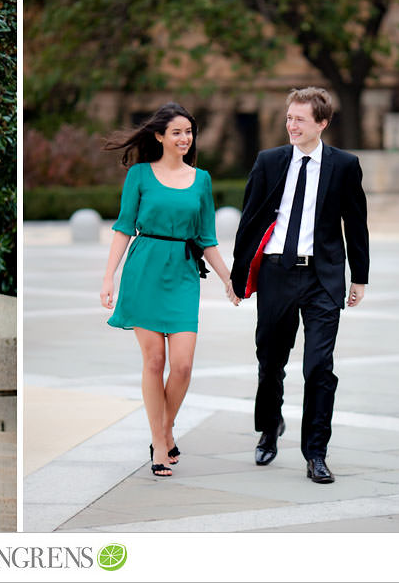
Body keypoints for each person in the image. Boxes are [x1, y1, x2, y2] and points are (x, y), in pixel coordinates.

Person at [230, 87, 369, 484]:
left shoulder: (344, 165)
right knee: (270, 361)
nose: (291, 125)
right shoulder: (270, 161)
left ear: (321, 123)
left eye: (300, 119)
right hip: (277, 273)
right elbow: (250, 220)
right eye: (289, 118)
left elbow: (355, 223)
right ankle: (269, 427)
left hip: (322, 276)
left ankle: (316, 454)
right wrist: (239, 278)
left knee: (319, 367)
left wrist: (359, 276)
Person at [100, 103, 240, 478]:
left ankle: (164, 427)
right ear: (159, 136)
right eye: (176, 132)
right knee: (154, 362)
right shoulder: (140, 175)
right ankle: (159, 443)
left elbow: (207, 238)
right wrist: (108, 277)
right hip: (144, 269)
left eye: (189, 132)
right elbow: (124, 227)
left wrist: (228, 279)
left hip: (182, 273)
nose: (184, 138)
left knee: (182, 364)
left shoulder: (202, 180)